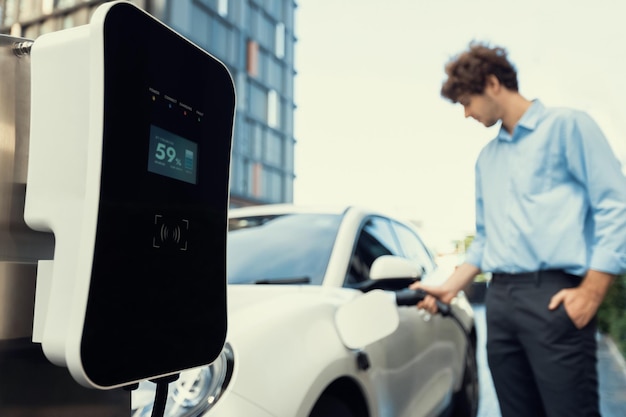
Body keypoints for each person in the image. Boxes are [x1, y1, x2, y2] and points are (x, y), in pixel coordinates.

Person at [411, 42, 626, 417]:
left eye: (466, 102)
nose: (466, 114)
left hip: (554, 296)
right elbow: (484, 240)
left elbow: (616, 205)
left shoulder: (569, 126)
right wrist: (449, 287)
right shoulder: (487, 159)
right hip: (501, 301)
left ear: (492, 84)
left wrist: (593, 290)